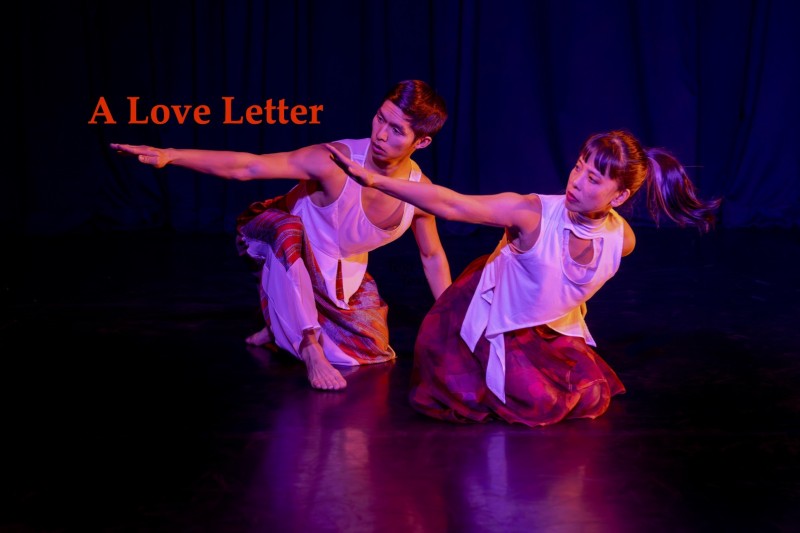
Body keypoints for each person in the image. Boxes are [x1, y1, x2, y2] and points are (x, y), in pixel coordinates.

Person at [326, 129, 721, 427]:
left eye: (594, 179)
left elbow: (562, 287)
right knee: (533, 401)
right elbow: (453, 205)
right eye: (579, 167)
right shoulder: (532, 214)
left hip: (545, 324)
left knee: (587, 396)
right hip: (496, 314)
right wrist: (377, 181)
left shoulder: (622, 240)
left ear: (619, 197)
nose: (576, 181)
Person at [111, 80, 452, 392]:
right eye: (380, 119)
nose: (380, 135)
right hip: (274, 236)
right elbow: (249, 166)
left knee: (372, 351)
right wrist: (171, 156)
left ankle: (276, 327)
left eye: (396, 130)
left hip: (337, 271)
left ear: (421, 142)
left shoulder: (419, 194)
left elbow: (432, 256)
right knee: (289, 231)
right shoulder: (334, 160)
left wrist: (451, 316)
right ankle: (308, 346)